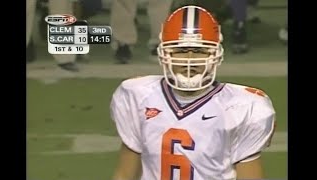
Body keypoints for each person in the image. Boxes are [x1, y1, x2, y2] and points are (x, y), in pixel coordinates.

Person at [110, 5, 276, 180]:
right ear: (165, 53)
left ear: (215, 54)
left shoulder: (243, 107)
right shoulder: (137, 96)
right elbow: (124, 174)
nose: (190, 59)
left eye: (199, 50)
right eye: (181, 50)